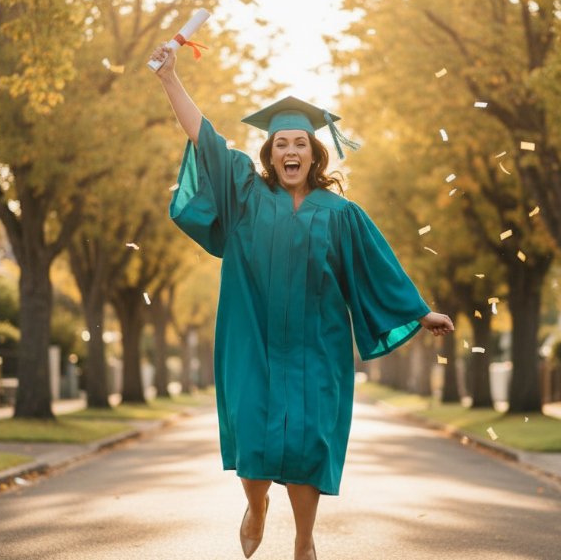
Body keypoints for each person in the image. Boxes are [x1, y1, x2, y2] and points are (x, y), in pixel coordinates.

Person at [151, 43, 454, 560]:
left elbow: (376, 267)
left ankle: (305, 539)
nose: (290, 151)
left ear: (315, 155)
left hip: (317, 345)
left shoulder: (341, 215)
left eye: (300, 143)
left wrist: (419, 311)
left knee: (309, 441)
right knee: (254, 432)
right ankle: (256, 504)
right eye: (280, 143)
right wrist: (170, 79)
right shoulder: (245, 196)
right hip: (253, 340)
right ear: (269, 154)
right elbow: (206, 139)